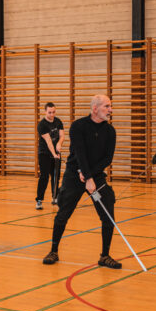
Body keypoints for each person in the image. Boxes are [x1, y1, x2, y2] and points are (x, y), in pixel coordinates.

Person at [42, 95, 121, 269]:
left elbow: (108, 158)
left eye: (110, 106)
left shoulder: (110, 131)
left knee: (108, 214)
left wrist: (90, 176)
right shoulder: (79, 126)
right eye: (107, 106)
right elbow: (79, 152)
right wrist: (83, 174)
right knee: (63, 213)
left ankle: (105, 256)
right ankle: (53, 250)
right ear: (95, 109)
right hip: (74, 174)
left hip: (95, 175)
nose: (110, 110)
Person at [35, 102, 65, 210]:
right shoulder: (42, 125)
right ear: (45, 112)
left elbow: (62, 136)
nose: (52, 115)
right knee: (44, 177)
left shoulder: (58, 122)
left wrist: (59, 143)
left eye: (53, 112)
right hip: (44, 153)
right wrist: (54, 154)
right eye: (49, 112)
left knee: (55, 176)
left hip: (56, 152)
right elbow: (48, 141)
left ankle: (55, 197)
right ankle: (39, 200)